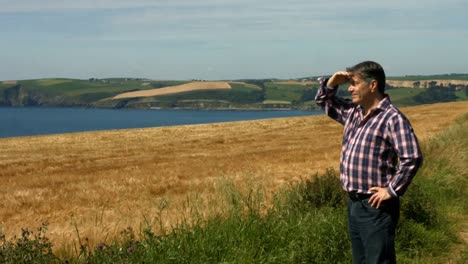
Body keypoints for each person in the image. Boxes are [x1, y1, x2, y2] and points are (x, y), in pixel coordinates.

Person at [315, 61, 423, 264]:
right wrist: (331, 83)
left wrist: (391, 190)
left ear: (372, 85)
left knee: (378, 260)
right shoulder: (354, 113)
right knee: (361, 260)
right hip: (354, 204)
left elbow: (412, 157)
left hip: (376, 206)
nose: (350, 88)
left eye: (354, 83)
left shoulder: (392, 118)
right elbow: (325, 103)